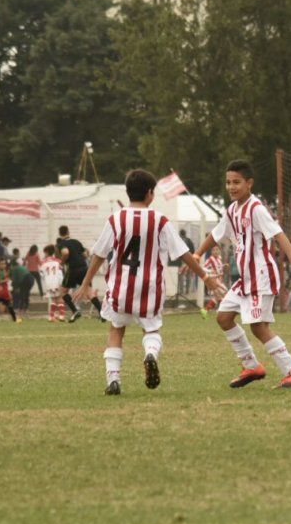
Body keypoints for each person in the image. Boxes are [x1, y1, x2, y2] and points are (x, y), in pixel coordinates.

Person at [74, 169, 224, 395]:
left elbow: (99, 254)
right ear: (150, 194)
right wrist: (205, 277)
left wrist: (85, 283)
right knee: (151, 328)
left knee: (116, 329)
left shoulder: (116, 219)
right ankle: (150, 353)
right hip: (149, 287)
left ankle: (113, 378)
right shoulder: (159, 220)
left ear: (127, 192)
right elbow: (183, 253)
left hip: (120, 286)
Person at [192, 160, 291, 389]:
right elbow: (216, 235)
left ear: (249, 183)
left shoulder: (256, 209)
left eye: (236, 182)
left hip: (261, 277)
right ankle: (251, 366)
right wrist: (196, 255)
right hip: (245, 279)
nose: (232, 187)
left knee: (258, 327)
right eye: (228, 182)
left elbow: (278, 234)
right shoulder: (232, 210)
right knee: (223, 317)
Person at [58, 225, 103, 323]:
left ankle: (75, 311)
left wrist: (62, 262)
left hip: (73, 269)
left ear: (60, 233)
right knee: (89, 292)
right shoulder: (76, 242)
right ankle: (102, 314)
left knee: (63, 291)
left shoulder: (62, 243)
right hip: (84, 268)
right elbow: (86, 254)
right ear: (68, 232)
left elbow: (65, 253)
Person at [40, 245, 65, 322]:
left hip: (49, 282)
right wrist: (62, 283)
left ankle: (51, 316)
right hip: (57, 281)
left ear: (46, 252)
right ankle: (61, 316)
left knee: (53, 299)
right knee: (60, 298)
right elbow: (60, 272)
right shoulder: (58, 261)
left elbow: (41, 274)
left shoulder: (43, 262)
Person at [199, 246, 226, 319]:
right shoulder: (210, 259)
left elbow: (219, 268)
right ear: (211, 252)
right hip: (214, 280)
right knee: (225, 293)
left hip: (219, 280)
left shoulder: (219, 259)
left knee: (216, 298)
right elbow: (203, 268)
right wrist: (211, 271)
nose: (215, 251)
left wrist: (224, 266)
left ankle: (205, 310)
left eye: (217, 250)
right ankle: (223, 311)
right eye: (214, 250)